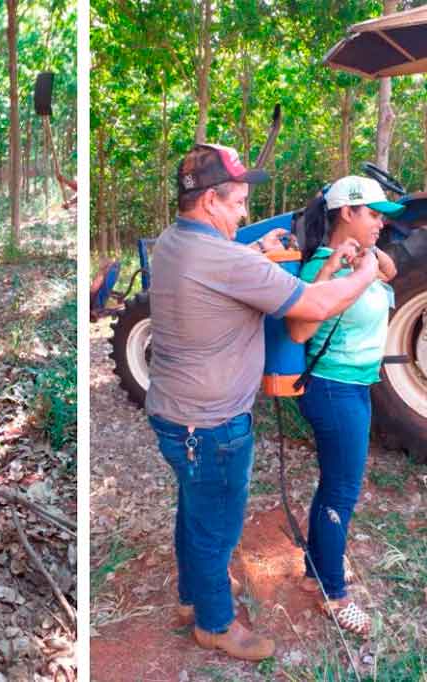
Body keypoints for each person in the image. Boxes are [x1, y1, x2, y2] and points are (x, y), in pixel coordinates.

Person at [147, 144, 381, 662]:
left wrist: (256, 250)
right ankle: (215, 625)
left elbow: (218, 269)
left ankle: (192, 599)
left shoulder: (172, 242)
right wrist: (364, 273)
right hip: (210, 425)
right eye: (237, 204)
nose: (245, 213)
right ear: (210, 201)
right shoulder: (223, 259)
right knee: (217, 528)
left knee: (194, 509)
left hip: (172, 414)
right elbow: (316, 305)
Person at [285, 176, 402, 637]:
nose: (380, 224)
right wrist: (350, 268)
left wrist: (370, 256)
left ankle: (320, 565)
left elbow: (389, 272)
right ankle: (331, 593)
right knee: (341, 491)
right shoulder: (322, 267)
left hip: (354, 387)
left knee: (335, 485)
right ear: (347, 213)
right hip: (333, 391)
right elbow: (299, 330)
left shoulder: (361, 260)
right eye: (373, 215)